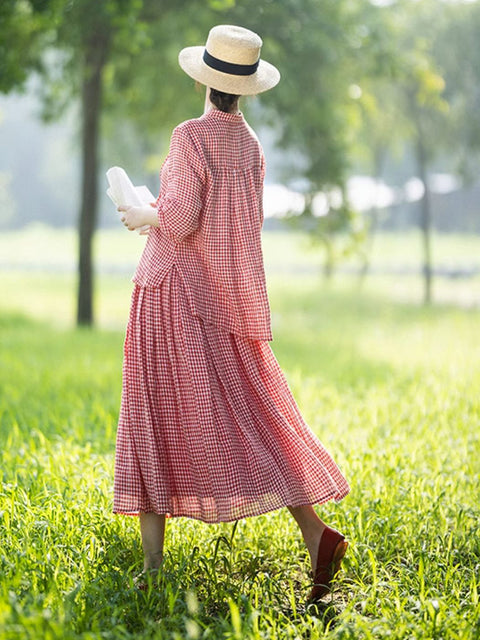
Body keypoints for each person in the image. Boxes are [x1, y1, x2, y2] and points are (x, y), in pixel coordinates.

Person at [114, 24, 349, 602]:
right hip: (228, 299)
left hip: (172, 292)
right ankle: (313, 531)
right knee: (256, 420)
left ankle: (152, 571)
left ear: (203, 78)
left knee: (156, 415)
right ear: (244, 88)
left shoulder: (190, 135)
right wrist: (160, 209)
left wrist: (143, 214)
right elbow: (230, 223)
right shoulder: (251, 146)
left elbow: (183, 219)